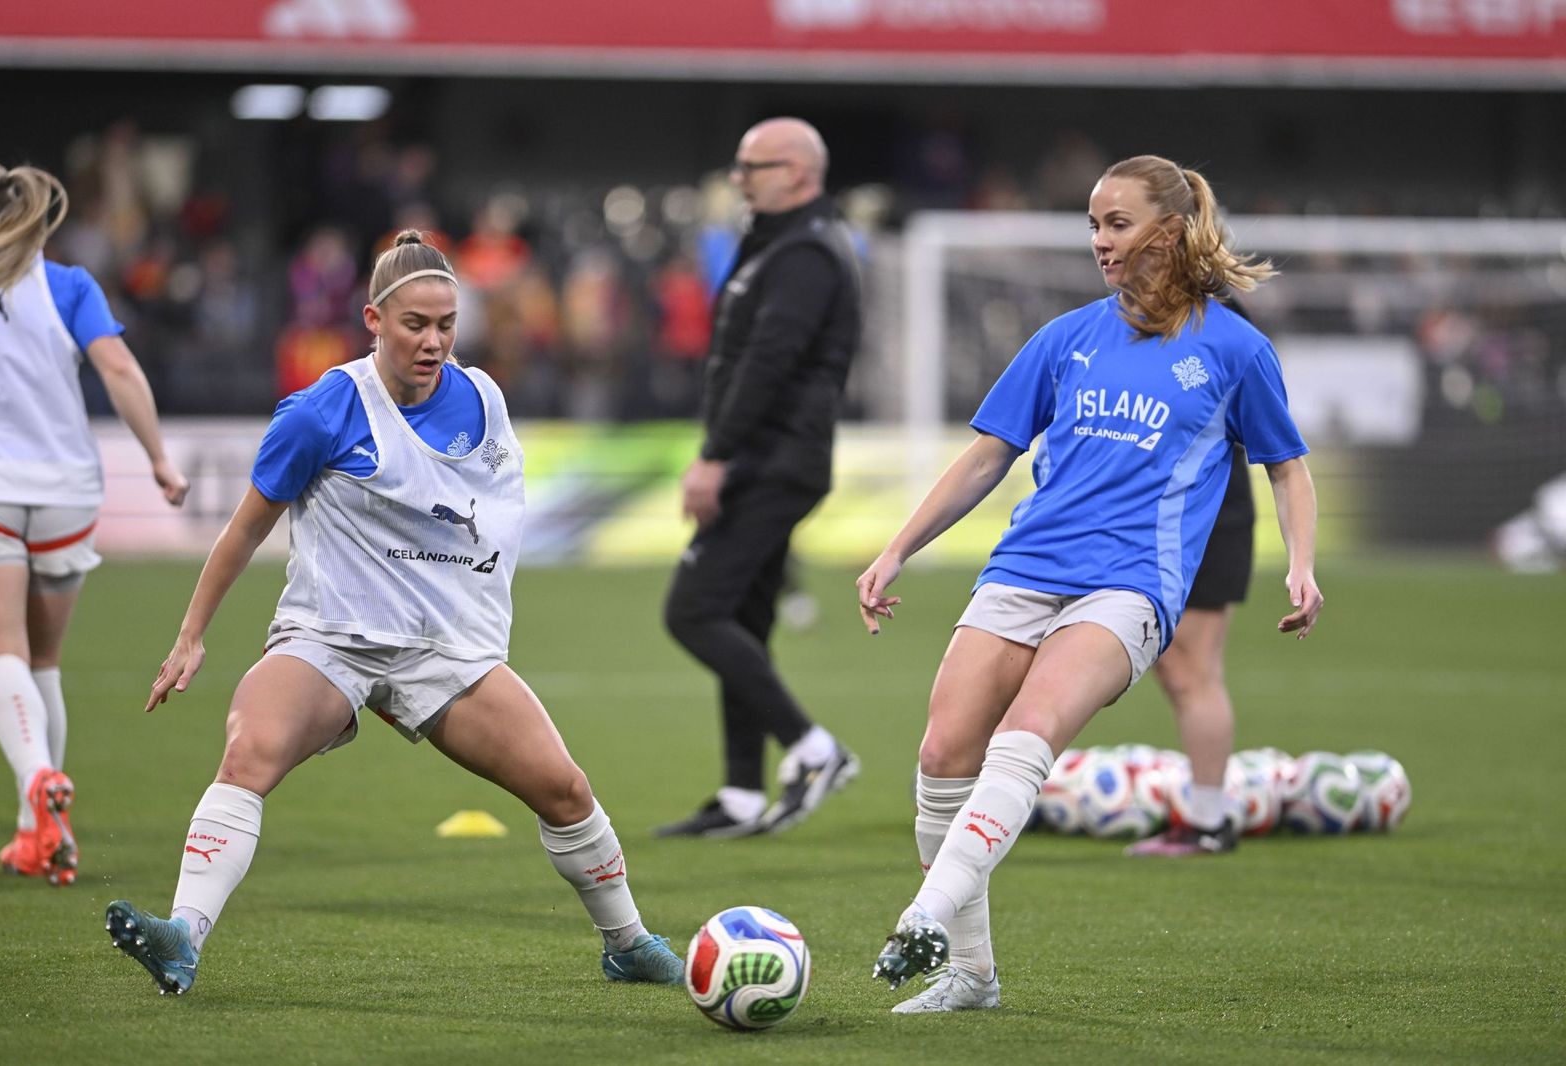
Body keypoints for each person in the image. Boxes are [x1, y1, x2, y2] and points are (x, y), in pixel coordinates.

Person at [104, 232, 683, 995]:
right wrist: (190, 634)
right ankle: (183, 934)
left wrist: (462, 618)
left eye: (446, 324)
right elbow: (245, 529)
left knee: (565, 789)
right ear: (373, 319)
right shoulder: (321, 412)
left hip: (442, 649)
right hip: (331, 640)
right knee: (249, 753)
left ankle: (627, 943)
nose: (434, 341)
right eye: (416, 324)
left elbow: (489, 515)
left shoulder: (483, 399)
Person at [856, 155, 1322, 1013]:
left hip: (1130, 588)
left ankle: (923, 914)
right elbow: (989, 454)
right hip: (1026, 569)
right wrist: (899, 548)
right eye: (1093, 226)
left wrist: (1301, 563)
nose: (1101, 243)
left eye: (1116, 223)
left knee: (1025, 737)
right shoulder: (1066, 337)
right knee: (941, 756)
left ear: (1170, 232)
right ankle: (972, 975)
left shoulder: (1233, 348)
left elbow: (1287, 468)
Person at [0, 158, 189, 887]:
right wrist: (159, 458)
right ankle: (40, 834)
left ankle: (37, 780)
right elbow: (120, 368)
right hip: (67, 490)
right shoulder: (66, 285)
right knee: (43, 660)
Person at [657, 118, 863, 838]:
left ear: (802, 174)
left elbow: (768, 363)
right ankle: (743, 794)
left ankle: (813, 748)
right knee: (742, 617)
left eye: (756, 165)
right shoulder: (777, 243)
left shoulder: (806, 252)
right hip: (768, 456)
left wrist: (716, 455)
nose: (740, 177)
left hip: (771, 460)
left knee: (693, 609)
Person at [1126, 445, 1254, 856]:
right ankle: (1206, 820)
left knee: (1191, 672)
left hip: (1198, 507)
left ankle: (1206, 823)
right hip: (1163, 504)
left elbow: (1284, 455)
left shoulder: (1228, 379)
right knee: (1185, 672)